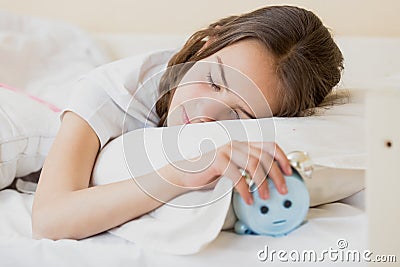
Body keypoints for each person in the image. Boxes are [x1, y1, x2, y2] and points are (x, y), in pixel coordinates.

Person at [32, 5, 343, 240]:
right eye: (212, 80)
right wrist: (178, 176)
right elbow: (49, 219)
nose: (205, 112)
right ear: (208, 44)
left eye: (238, 115)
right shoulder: (110, 92)